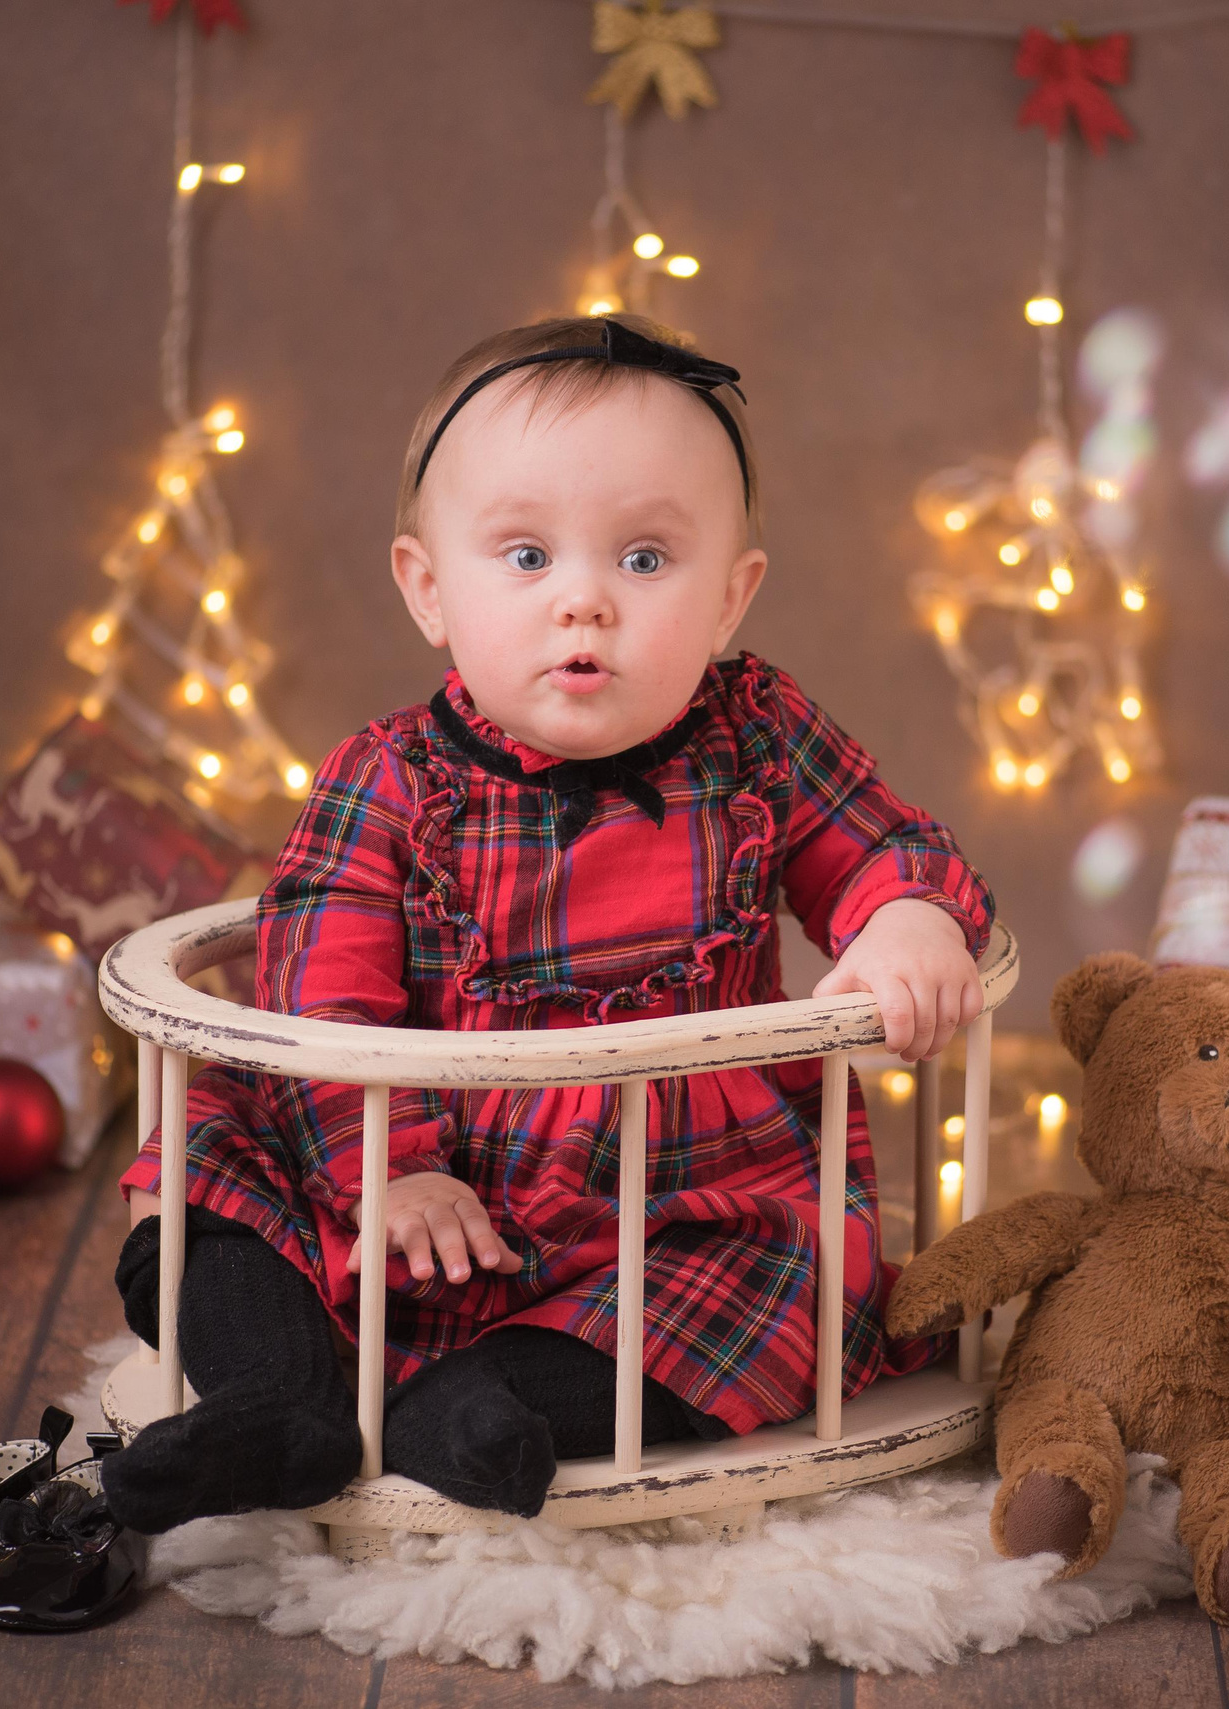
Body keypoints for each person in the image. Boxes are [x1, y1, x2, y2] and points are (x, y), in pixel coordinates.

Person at [101, 314, 995, 1535]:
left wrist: (901, 915)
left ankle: (484, 1404)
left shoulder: (761, 739)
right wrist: (391, 1170)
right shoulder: (389, 777)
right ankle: (278, 1393)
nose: (584, 601)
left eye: (643, 560)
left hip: (678, 1200)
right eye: (524, 557)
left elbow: (884, 840)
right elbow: (321, 996)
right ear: (429, 589)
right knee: (199, 1145)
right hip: (413, 1183)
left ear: (732, 598)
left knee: (798, 1275)